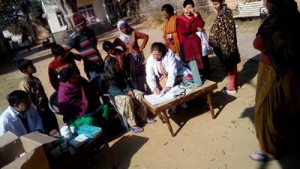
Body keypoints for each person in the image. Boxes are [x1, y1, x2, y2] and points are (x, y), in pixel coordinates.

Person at [249, 0, 300, 162]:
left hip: (274, 70)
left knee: (266, 109)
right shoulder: (294, 14)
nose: (264, 3)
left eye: (266, 0)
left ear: (274, 2)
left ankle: (269, 149)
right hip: (293, 70)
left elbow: (258, 43)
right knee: (290, 105)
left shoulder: (276, 19)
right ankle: (290, 138)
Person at [102, 40, 155, 133]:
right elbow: (112, 87)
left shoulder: (120, 62)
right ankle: (133, 124)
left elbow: (125, 79)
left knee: (139, 94)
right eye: (110, 50)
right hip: (115, 90)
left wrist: (130, 90)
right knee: (127, 99)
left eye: (113, 48)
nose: (113, 51)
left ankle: (143, 118)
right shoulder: (108, 67)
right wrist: (126, 93)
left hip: (124, 87)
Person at [63, 12, 104, 95]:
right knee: (98, 89)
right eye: (82, 25)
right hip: (91, 68)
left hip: (100, 63)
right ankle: (102, 107)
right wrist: (79, 56)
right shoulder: (74, 36)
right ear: (77, 26)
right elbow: (64, 50)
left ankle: (108, 106)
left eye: (85, 23)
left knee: (105, 87)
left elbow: (94, 45)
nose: (84, 25)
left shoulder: (90, 31)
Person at [18, 59, 59, 134]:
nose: (34, 67)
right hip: (39, 112)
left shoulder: (35, 79)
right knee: (47, 131)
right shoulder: (25, 83)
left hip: (46, 107)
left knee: (54, 128)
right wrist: (36, 109)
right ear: (24, 71)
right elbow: (27, 99)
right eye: (31, 66)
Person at [208, 0, 241, 94]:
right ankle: (236, 83)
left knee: (229, 65)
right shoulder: (227, 11)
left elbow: (216, 30)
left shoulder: (223, 14)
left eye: (216, 4)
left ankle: (231, 88)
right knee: (232, 63)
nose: (214, 6)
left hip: (225, 45)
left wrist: (212, 41)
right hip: (231, 44)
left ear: (221, 2)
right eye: (213, 4)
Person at [176, 0, 210, 78]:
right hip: (189, 44)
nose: (189, 10)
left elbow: (201, 24)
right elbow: (183, 31)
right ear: (183, 8)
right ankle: (197, 76)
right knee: (193, 61)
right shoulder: (180, 19)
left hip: (199, 42)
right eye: (187, 8)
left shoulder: (196, 15)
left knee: (202, 58)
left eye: (191, 8)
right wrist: (195, 29)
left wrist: (195, 14)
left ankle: (207, 75)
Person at [113, 20, 149, 92]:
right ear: (119, 29)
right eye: (122, 28)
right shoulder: (119, 39)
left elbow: (146, 36)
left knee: (142, 74)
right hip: (128, 59)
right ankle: (138, 91)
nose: (124, 29)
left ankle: (147, 90)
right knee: (133, 75)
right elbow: (112, 47)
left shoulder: (133, 33)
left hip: (138, 57)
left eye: (125, 27)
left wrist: (141, 47)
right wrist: (120, 54)